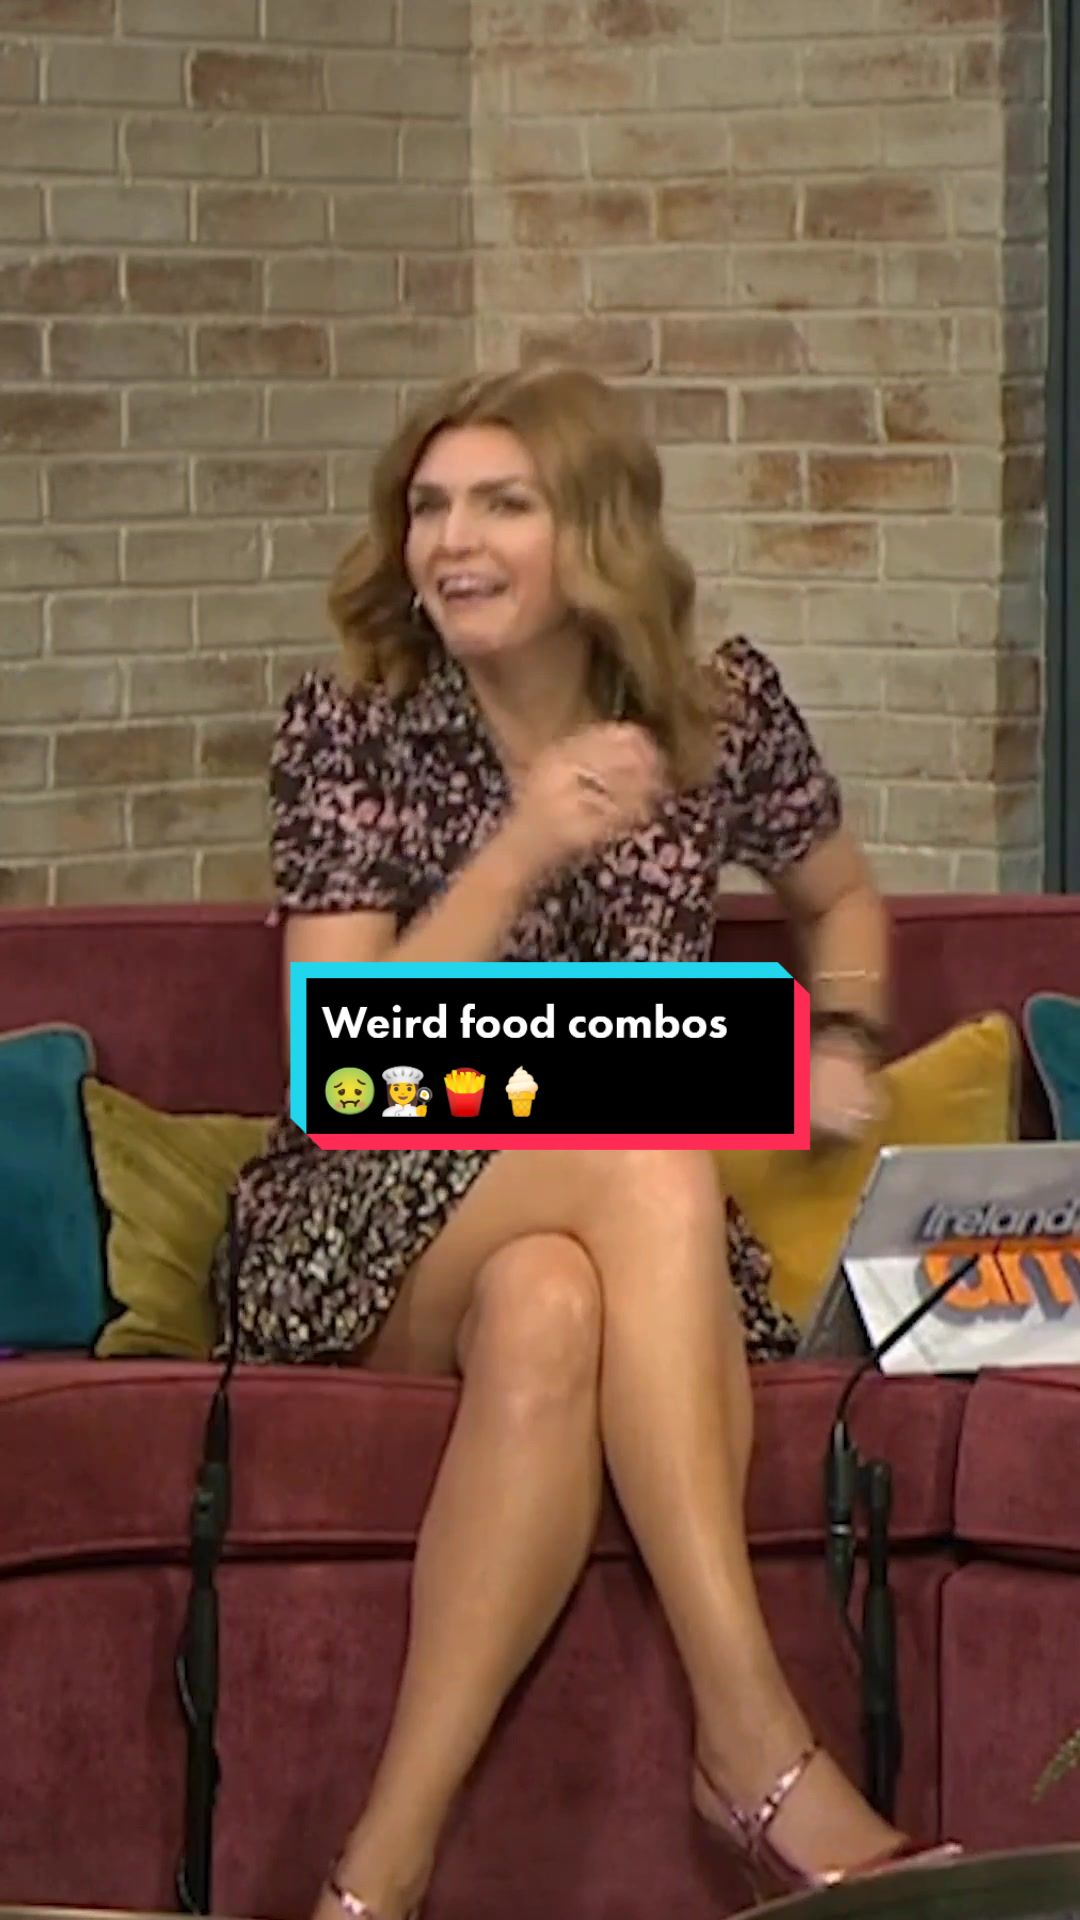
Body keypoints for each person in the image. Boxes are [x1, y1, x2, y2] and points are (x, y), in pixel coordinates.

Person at [211, 364, 959, 1918]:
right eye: (429, 507)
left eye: (502, 503)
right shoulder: (356, 728)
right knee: (645, 1153)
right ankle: (752, 1740)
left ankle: (376, 1875)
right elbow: (346, 1049)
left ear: (596, 531)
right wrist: (526, 842)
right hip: (370, 1207)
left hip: (611, 1236)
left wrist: (843, 1034)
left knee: (553, 1303)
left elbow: (839, 899)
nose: (451, 542)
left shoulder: (716, 713)